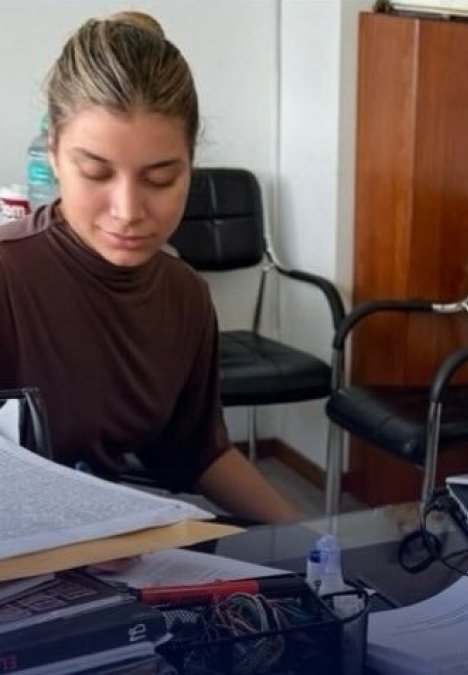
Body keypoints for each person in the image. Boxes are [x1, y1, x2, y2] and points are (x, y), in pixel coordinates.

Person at [0, 11, 299, 524]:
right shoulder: (9, 278)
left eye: (159, 179)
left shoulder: (184, 296)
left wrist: (308, 539)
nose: (128, 211)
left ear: (190, 165)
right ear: (53, 155)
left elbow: (199, 452)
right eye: (96, 173)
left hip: (112, 546)